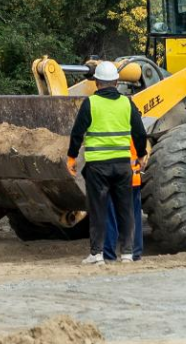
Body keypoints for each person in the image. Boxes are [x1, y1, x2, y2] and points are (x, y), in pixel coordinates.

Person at [67, 61, 148, 265]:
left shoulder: (91, 103)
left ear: (96, 83)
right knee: (126, 209)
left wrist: (71, 157)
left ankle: (97, 254)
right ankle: (128, 253)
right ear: (116, 82)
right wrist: (141, 154)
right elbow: (139, 131)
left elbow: (77, 133)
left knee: (98, 210)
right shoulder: (126, 103)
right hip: (122, 166)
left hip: (97, 167)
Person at [103, 143, 144, 262]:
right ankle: (134, 253)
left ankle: (109, 255)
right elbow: (141, 137)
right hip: (131, 175)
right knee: (133, 214)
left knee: (109, 214)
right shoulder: (130, 124)